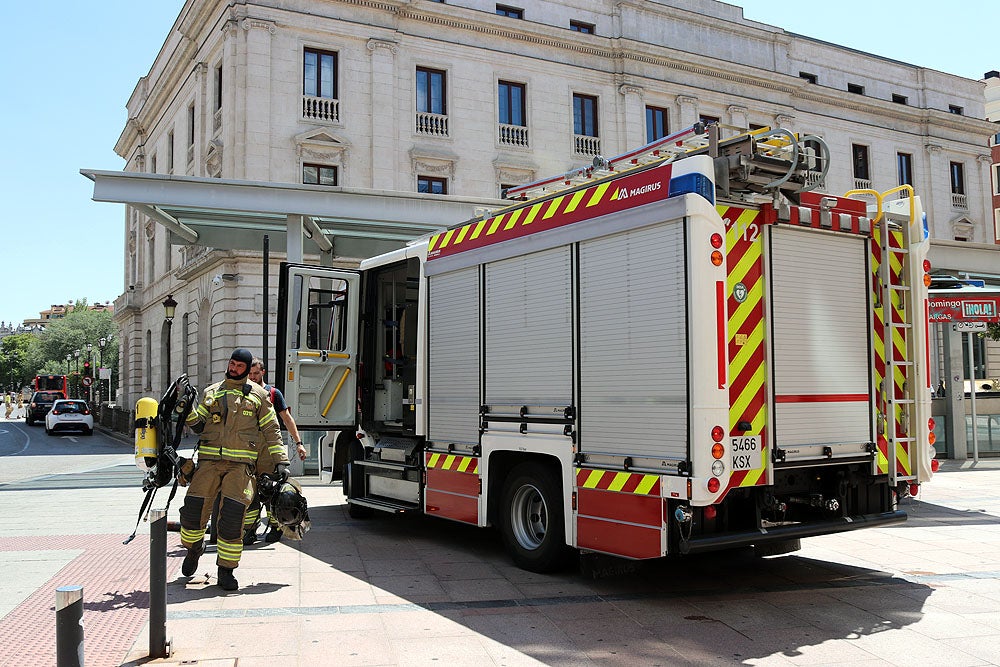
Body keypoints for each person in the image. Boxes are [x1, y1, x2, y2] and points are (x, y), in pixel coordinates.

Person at [178, 348, 288, 591]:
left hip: (241, 468)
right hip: (208, 463)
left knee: (232, 517)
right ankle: (194, 549)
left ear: (248, 370)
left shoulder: (259, 395)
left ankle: (225, 570)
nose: (234, 368)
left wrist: (281, 460)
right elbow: (198, 425)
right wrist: (184, 409)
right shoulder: (212, 392)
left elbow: (272, 429)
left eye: (239, 366)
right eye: (232, 363)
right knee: (192, 513)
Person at [244, 358, 307, 545]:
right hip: (249, 451)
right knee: (250, 493)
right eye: (250, 374)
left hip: (270, 452)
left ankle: (275, 527)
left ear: (263, 372)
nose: (252, 377)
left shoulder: (273, 394)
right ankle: (249, 530)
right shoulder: (244, 394)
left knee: (272, 492)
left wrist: (299, 443)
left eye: (256, 373)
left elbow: (287, 420)